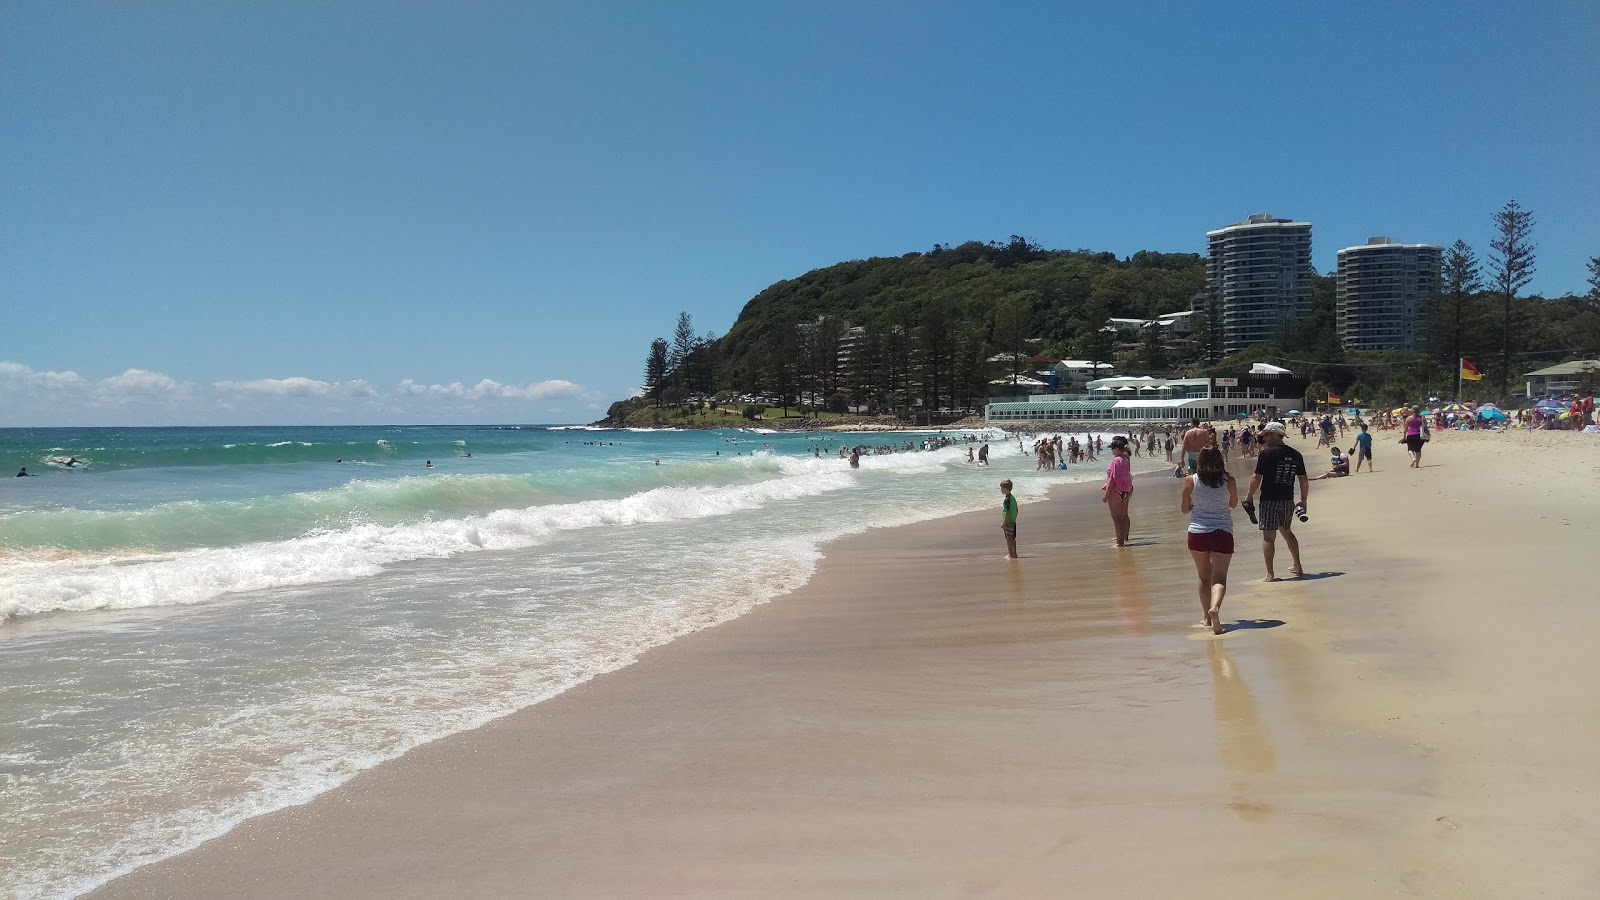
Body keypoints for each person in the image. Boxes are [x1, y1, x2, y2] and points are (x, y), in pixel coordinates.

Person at [1243, 422, 1308, 581]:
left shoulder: (1266, 454)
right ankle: (1297, 565)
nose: (1264, 438)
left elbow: (1256, 478)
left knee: (1268, 537)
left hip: (1269, 500)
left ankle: (1270, 574)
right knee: (1286, 531)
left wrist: (1248, 496)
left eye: (1266, 435)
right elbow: (1303, 479)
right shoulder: (1295, 454)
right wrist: (1303, 500)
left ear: (1275, 435)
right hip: (1287, 499)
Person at [1182, 446, 1237, 635]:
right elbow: (1233, 504)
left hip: (1197, 533)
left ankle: (1206, 617)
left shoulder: (1190, 480)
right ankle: (1215, 608)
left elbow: (1184, 509)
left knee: (1203, 577)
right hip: (1222, 532)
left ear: (1199, 461)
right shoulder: (1228, 480)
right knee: (1219, 578)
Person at [1101, 435, 1134, 548]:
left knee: (1116, 518)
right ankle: (1122, 538)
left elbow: (1113, 478)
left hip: (1116, 491)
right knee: (1122, 516)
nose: (1111, 450)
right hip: (1125, 490)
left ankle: (1120, 543)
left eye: (1112, 448)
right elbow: (1125, 475)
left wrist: (1106, 494)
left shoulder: (1116, 460)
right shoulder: (1125, 458)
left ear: (1117, 449)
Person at [999, 479, 1019, 559]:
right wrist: (1014, 518)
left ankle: (1010, 554)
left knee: (1008, 539)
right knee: (1013, 538)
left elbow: (1007, 512)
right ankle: (1014, 553)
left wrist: (1004, 523)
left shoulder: (1007, 499)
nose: (1000, 490)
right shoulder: (1013, 498)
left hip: (1008, 522)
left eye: (1001, 489)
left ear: (1005, 489)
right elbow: (1017, 509)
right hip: (1013, 521)